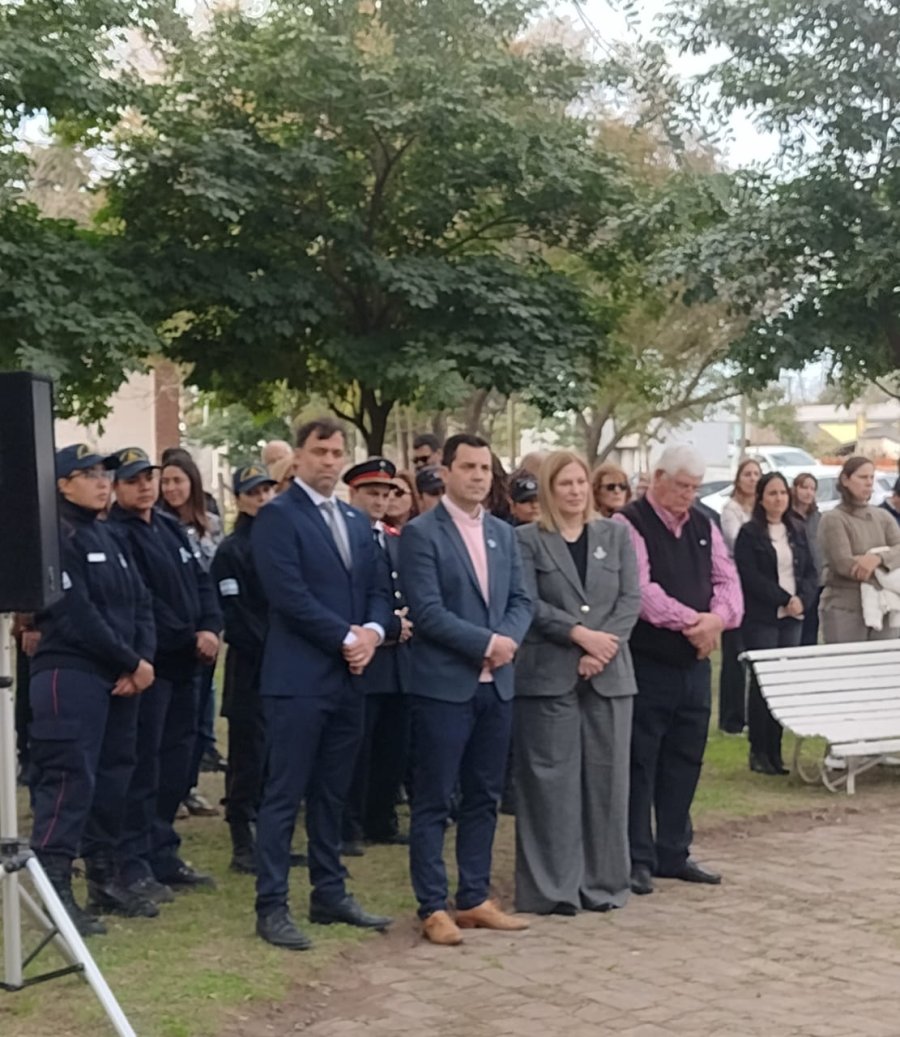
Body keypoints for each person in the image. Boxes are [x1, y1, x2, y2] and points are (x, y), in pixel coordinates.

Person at [250, 418, 393, 951]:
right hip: (298, 679)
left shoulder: (356, 520)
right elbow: (288, 594)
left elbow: (378, 588)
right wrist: (345, 637)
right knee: (284, 794)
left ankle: (329, 892)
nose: (329, 461)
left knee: (333, 793)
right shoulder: (278, 516)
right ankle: (271, 905)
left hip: (349, 678)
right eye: (319, 451)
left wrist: (373, 633)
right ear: (299, 456)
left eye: (336, 452)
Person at [399, 434, 533, 946]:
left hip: (496, 687)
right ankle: (433, 905)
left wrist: (507, 642)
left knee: (484, 795)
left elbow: (521, 600)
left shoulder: (502, 533)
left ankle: (474, 897)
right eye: (468, 467)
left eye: (484, 468)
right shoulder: (421, 534)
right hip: (444, 687)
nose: (478, 476)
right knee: (435, 799)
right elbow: (428, 611)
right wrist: (486, 644)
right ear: (447, 472)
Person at [28, 445, 156, 934]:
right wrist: (129, 660)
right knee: (69, 780)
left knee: (113, 776)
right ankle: (55, 888)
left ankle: (104, 877)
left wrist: (140, 661)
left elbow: (141, 602)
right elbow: (76, 614)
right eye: (89, 474)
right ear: (62, 484)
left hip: (120, 676)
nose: (103, 482)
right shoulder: (56, 537)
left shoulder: (109, 533)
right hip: (72, 673)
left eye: (105, 474)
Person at [514, 451, 640, 915]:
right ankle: (554, 889)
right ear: (549, 489)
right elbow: (527, 602)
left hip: (609, 674)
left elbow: (630, 599)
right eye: (564, 483)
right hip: (550, 675)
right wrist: (578, 635)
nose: (574, 491)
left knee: (607, 783)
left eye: (580, 482)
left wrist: (601, 649)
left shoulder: (616, 534)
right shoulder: (526, 540)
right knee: (552, 785)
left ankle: (603, 883)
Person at [614, 444, 743, 896]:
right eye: (682, 486)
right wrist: (694, 623)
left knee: (685, 758)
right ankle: (637, 857)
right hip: (650, 662)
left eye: (694, 488)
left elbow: (728, 580)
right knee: (641, 761)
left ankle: (674, 850)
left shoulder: (705, 524)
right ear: (658, 478)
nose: (688, 495)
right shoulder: (629, 524)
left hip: (695, 663)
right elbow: (641, 590)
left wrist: (717, 620)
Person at [108, 446, 221, 902]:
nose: (145, 487)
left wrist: (210, 625)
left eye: (148, 477)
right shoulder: (117, 533)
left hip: (187, 663)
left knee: (177, 763)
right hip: (153, 663)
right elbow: (141, 600)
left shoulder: (170, 526)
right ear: (117, 487)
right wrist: (187, 635)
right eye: (133, 480)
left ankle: (162, 850)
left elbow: (202, 582)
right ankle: (132, 860)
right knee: (144, 766)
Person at [341, 458, 413, 853]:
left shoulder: (393, 539)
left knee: (392, 745)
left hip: (398, 660)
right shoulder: (346, 539)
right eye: (372, 493)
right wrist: (387, 626)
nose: (381, 501)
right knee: (357, 747)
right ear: (353, 493)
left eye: (387, 493)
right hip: (364, 656)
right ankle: (349, 824)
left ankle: (381, 818)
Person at [210, 463, 277, 873]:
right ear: (239, 499)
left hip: (283, 664)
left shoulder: (281, 543)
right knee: (247, 754)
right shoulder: (232, 551)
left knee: (275, 755)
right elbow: (234, 613)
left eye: (268, 490)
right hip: (250, 664)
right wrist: (271, 646)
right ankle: (242, 840)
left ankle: (268, 838)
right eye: (254, 492)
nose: (263, 499)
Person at [734, 473, 818, 775]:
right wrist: (783, 598)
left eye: (782, 493)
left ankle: (775, 750)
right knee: (763, 684)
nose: (779, 498)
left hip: (793, 617)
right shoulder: (750, 533)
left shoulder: (797, 529)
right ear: (761, 498)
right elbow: (750, 576)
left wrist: (802, 600)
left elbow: (810, 571)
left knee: (783, 684)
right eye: (772, 493)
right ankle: (759, 750)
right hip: (764, 617)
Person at [159, 451, 226, 813]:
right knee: (174, 722)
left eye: (178, 481)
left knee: (202, 716)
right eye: (166, 482)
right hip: (175, 634)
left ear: (192, 483)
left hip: (209, 626)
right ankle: (172, 791)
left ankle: (190, 784)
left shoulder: (211, 525)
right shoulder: (157, 526)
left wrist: (213, 626)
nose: (171, 488)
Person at [819, 456, 900, 644]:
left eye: (871, 477)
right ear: (845, 480)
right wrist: (885, 567)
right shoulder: (833, 518)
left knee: (881, 660)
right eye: (863, 477)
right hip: (845, 606)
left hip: (885, 604)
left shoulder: (883, 517)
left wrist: (878, 558)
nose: (869, 482)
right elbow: (843, 563)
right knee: (846, 660)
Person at [718, 458, 762, 736]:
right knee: (734, 653)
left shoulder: (761, 510)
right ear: (738, 478)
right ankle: (731, 718)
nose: (752, 479)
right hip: (735, 583)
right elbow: (737, 541)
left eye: (757, 474)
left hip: (758, 586)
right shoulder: (730, 509)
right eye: (747, 474)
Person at [792, 472, 823, 647]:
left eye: (812, 488)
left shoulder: (818, 517)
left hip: (815, 580)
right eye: (804, 487)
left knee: (811, 628)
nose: (808, 492)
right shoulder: (787, 516)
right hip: (794, 580)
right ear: (795, 489)